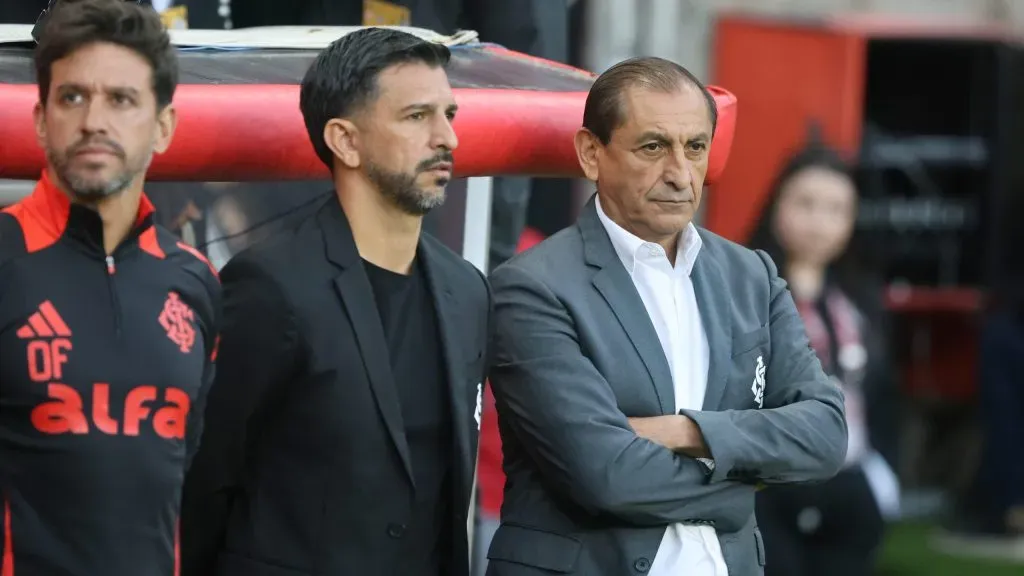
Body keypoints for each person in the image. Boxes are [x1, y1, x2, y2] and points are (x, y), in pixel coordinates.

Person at [485, 56, 848, 576]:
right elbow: (606, 474)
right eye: (653, 147)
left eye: (695, 148)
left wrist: (686, 432)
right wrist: (741, 487)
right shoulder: (532, 285)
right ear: (591, 153)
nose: (679, 174)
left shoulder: (751, 275)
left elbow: (826, 435)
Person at [180, 27, 491, 576]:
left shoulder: (465, 290)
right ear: (345, 140)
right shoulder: (270, 285)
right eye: (417, 116)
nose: (447, 138)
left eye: (450, 114)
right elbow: (206, 480)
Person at [0, 0, 221, 574]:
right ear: (41, 120)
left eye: (121, 100)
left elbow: (189, 469)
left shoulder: (197, 281)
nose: (93, 120)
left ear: (163, 126)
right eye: (72, 97)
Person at [747, 143, 901, 576]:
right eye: (806, 204)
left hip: (849, 482)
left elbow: (884, 394)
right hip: (770, 485)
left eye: (837, 210)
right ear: (777, 205)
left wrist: (885, 475)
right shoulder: (745, 288)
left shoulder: (859, 297)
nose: (820, 223)